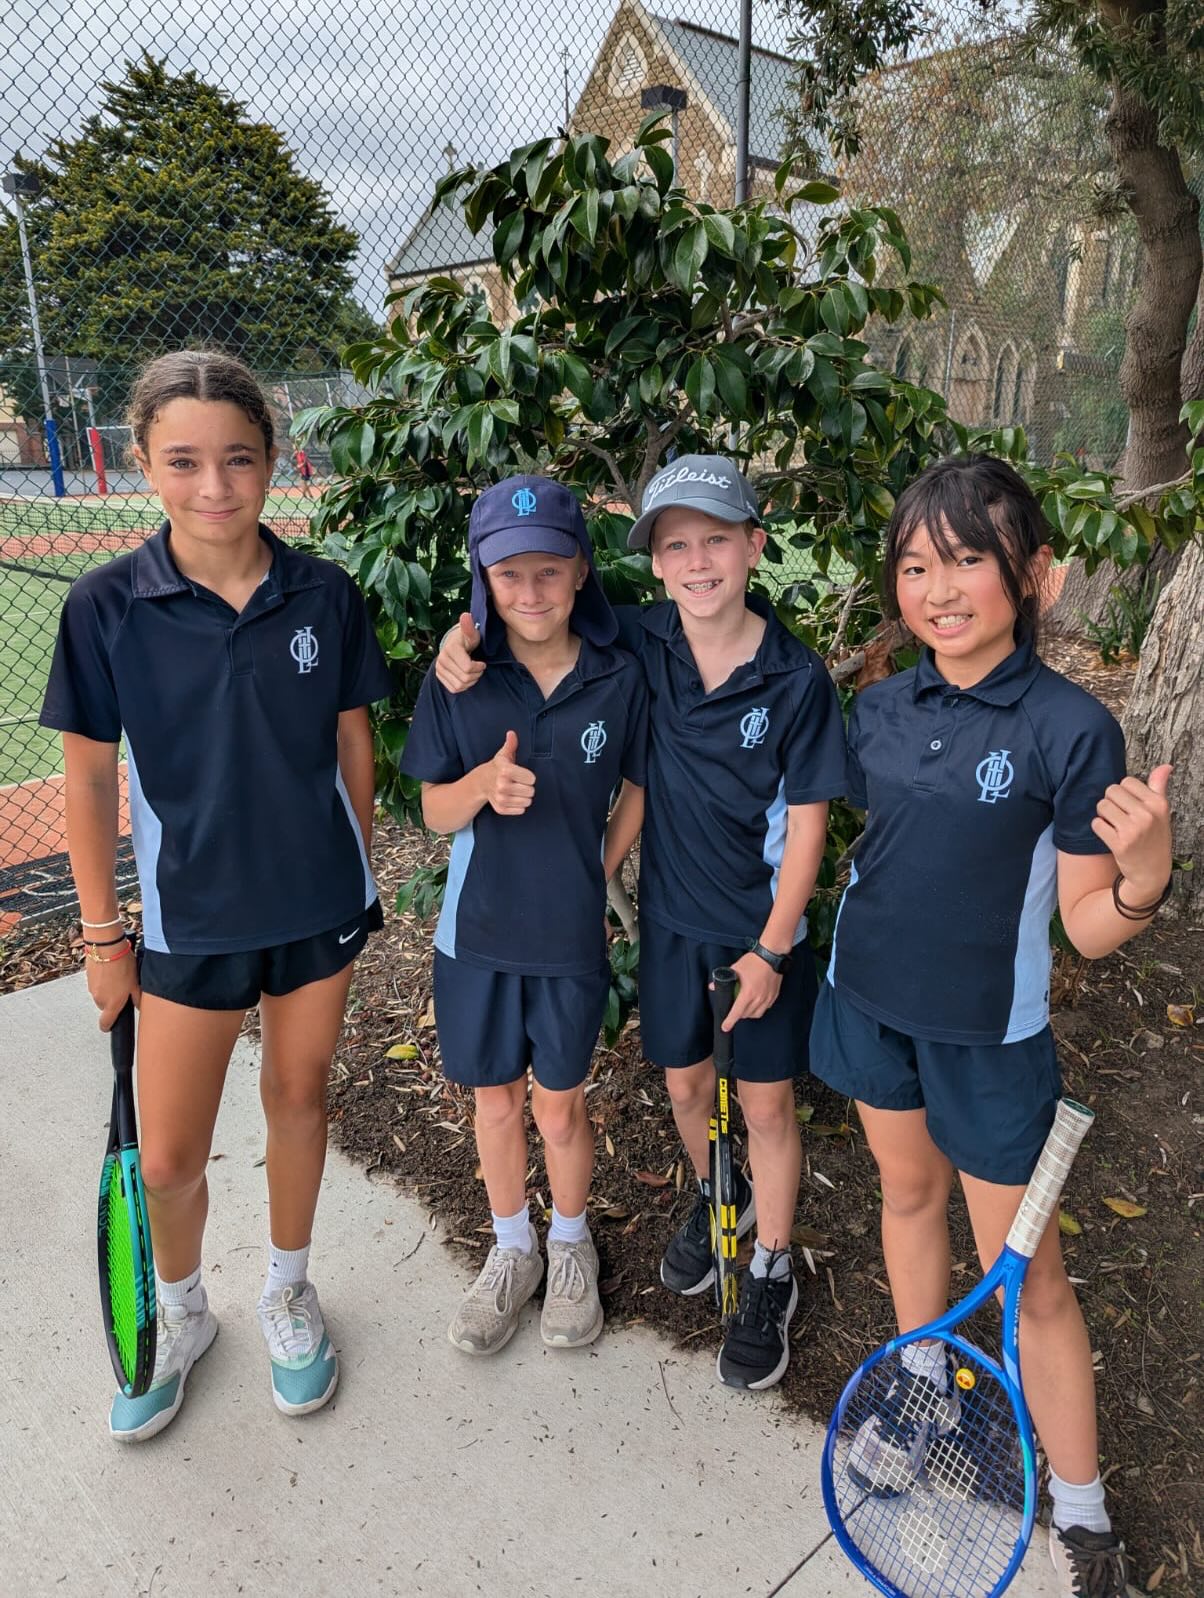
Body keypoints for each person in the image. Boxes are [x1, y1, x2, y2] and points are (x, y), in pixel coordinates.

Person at [808, 454, 1173, 1596]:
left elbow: (1082, 920)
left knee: (1031, 1280)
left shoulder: (1072, 729)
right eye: (916, 563)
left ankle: (1081, 1508)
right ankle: (921, 1398)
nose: (939, 586)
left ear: (1039, 576)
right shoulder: (877, 704)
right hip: (867, 1009)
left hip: (989, 1040)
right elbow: (854, 846)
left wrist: (1145, 881)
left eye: (969, 557)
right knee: (904, 1196)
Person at [40, 350, 393, 1441]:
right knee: (169, 1155)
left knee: (299, 1098)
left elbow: (352, 746)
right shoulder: (108, 605)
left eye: (238, 458)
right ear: (141, 462)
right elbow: (91, 776)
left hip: (316, 912)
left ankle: (288, 1287)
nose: (215, 485)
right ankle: (183, 1311)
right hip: (186, 924)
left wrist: (351, 868)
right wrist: (104, 937)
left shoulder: (323, 591)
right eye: (185, 460)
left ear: (271, 461)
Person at [435, 457, 847, 1391]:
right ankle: (712, 1197)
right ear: (653, 566)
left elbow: (811, 823)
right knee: (688, 1086)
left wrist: (774, 947)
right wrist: (456, 645)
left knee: (770, 1105)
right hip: (668, 925)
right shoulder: (644, 648)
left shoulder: (796, 679)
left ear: (755, 545)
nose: (698, 562)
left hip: (759, 937)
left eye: (716, 540)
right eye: (675, 546)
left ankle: (771, 1268)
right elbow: (527, 618)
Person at [402, 475, 648, 1356]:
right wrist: (477, 787)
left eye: (550, 571)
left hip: (568, 935)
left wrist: (600, 868)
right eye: (510, 576)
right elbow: (432, 809)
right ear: (483, 580)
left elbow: (642, 787)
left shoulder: (620, 674)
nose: (532, 593)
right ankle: (514, 1249)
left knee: (560, 1107)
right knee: (496, 1103)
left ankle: (571, 1244)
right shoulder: (462, 676)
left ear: (581, 572)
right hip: (476, 936)